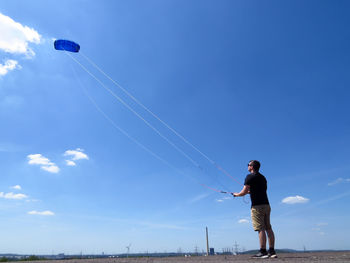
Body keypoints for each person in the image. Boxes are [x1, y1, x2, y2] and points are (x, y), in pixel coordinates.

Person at [233, 160, 277, 258]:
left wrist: (236, 194)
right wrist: (249, 192)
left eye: (248, 165)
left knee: (260, 228)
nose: (247, 166)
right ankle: (272, 251)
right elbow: (259, 190)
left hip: (257, 206)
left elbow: (244, 192)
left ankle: (262, 251)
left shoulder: (249, 177)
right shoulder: (263, 178)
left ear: (252, 167)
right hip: (266, 205)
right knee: (268, 228)